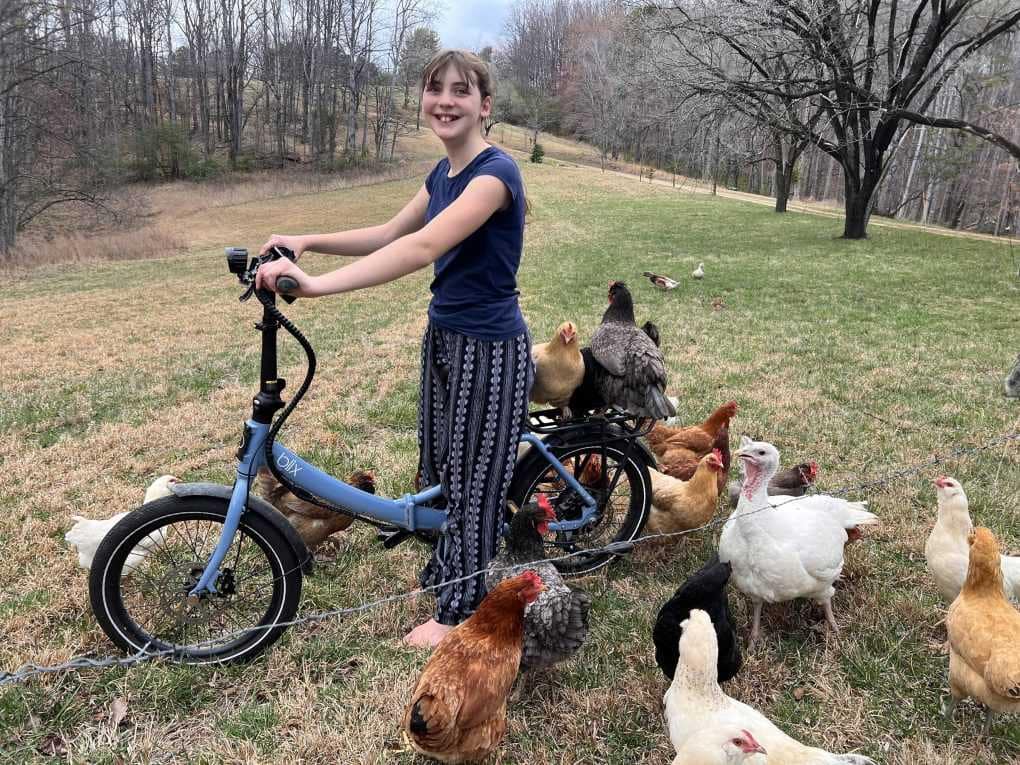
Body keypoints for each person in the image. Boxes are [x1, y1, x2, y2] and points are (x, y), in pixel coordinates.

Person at [256, 49, 533, 648]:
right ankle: (446, 572)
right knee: (441, 471)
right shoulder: (442, 176)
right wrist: (307, 240)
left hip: (488, 346)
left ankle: (461, 610)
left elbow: (423, 246)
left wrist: (317, 286)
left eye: (461, 91)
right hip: (445, 337)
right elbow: (387, 233)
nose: (445, 101)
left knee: (475, 480)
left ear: (485, 106)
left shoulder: (495, 175)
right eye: (435, 89)